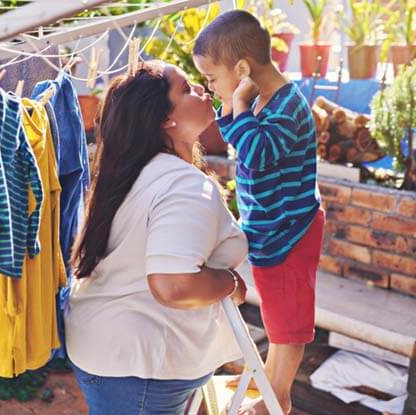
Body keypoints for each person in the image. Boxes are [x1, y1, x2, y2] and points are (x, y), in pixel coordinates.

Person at [64, 60, 249, 415]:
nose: (200, 88)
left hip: (114, 353)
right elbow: (174, 285)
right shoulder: (181, 184)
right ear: (165, 119)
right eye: (185, 88)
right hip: (139, 366)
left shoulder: (131, 174)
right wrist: (229, 282)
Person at [193, 10, 326, 415]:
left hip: (291, 233)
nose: (211, 88)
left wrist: (237, 107)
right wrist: (237, 109)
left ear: (243, 69)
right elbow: (246, 148)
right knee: (276, 316)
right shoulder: (267, 104)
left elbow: (257, 153)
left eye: (212, 78)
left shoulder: (288, 107)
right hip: (274, 233)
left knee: (288, 325)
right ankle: (270, 383)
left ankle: (277, 399)